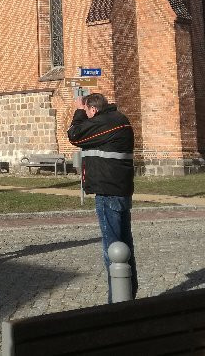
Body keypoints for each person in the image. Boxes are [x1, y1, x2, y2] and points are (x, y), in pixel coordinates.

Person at [68, 92, 138, 302]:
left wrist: (78, 110)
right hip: (120, 189)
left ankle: (116, 300)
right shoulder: (119, 120)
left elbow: (74, 135)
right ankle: (128, 293)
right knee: (125, 246)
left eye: (88, 112)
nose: (88, 117)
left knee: (113, 248)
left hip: (109, 193)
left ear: (94, 109)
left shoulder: (106, 122)